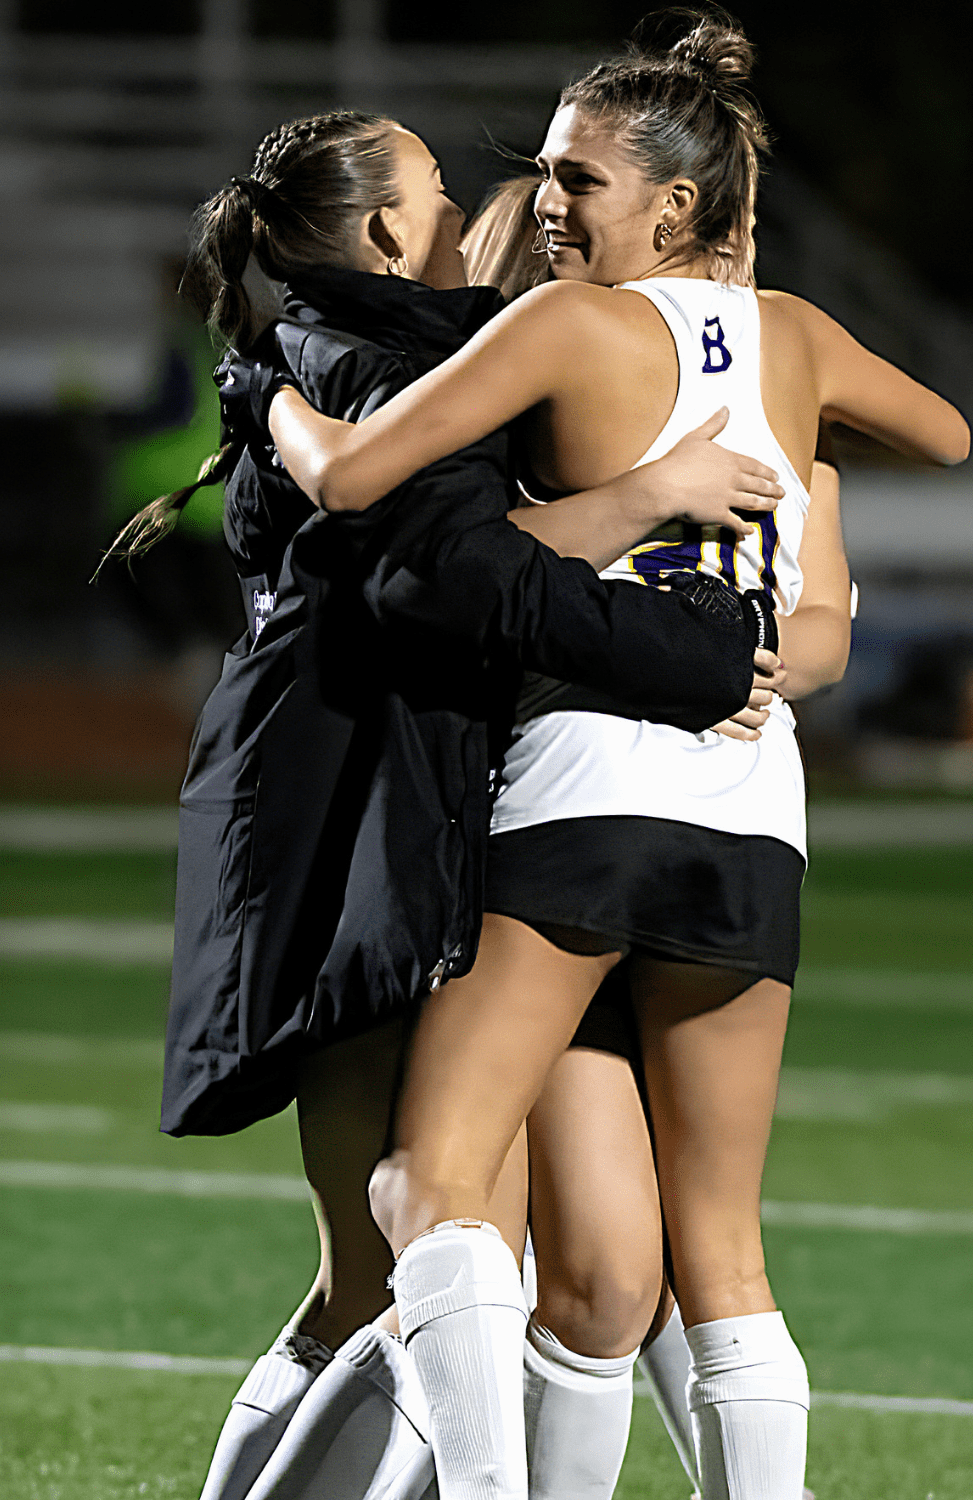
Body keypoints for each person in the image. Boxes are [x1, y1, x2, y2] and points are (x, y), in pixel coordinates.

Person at [262, 13, 970, 1496]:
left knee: (429, 1180)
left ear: (673, 205)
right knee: (693, 1266)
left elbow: (370, 489)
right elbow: (952, 436)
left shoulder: (569, 326)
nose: (549, 203)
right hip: (751, 810)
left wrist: (269, 387)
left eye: (578, 180)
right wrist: (803, 462)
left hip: (583, 796)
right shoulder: (795, 335)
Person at [136, 109, 774, 1500]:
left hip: (361, 806)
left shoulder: (340, 349)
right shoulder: (374, 357)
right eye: (435, 191)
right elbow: (453, 575)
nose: (479, 211)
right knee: (418, 1275)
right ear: (381, 231)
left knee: (398, 1279)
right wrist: (699, 634)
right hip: (350, 814)